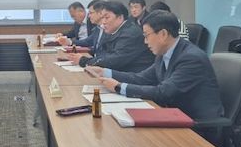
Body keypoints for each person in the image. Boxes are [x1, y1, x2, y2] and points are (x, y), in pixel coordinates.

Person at [86, 10, 224, 122]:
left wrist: (119, 87)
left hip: (196, 125)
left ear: (163, 34)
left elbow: (163, 93)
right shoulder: (164, 53)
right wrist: (105, 72)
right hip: (173, 115)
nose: (145, 42)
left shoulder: (191, 58)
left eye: (147, 35)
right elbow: (141, 78)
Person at [68, 1, 154, 72]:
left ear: (120, 17)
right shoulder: (116, 30)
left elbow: (115, 60)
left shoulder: (130, 34)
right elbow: (106, 54)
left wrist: (84, 61)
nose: (103, 22)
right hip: (121, 74)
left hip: (134, 78)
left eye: (107, 18)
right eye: (102, 18)